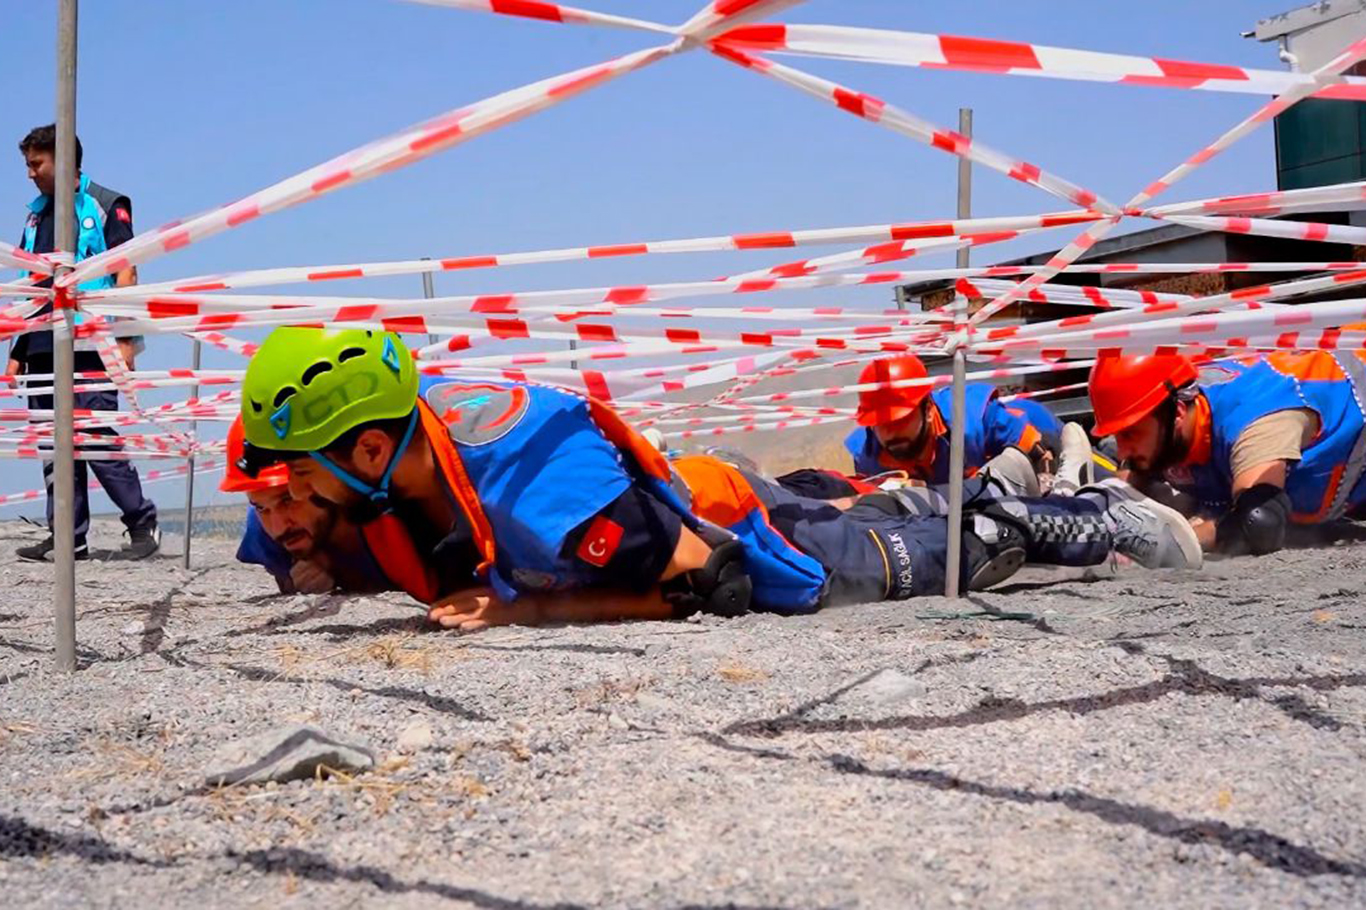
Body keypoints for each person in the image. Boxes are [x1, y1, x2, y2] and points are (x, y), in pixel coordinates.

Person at [234, 328, 1200, 632]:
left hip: (742, 540)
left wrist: (528, 616)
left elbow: (711, 584)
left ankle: (1087, 513)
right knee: (882, 497)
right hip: (697, 494)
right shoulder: (405, 434)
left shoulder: (538, 499)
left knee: (961, 545)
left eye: (299, 478)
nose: (291, 499)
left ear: (367, 453)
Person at [9, 124, 158, 561]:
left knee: (93, 435)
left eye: (36, 164)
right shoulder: (35, 215)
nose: (30, 173)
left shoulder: (108, 204)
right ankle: (67, 537)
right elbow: (29, 286)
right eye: (28, 165)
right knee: (54, 442)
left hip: (91, 340)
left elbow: (126, 274)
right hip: (40, 344)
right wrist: (17, 352)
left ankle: (141, 521)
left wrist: (127, 341)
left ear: (65, 162)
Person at [1087, 349, 1366, 556]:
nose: (1123, 448)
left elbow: (1258, 524)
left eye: (1130, 433)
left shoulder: (1255, 424)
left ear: (1178, 414)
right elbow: (1126, 485)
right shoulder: (1168, 412)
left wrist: (1161, 543)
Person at [222, 417, 397, 595]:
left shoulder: (392, 504)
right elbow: (285, 578)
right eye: (261, 507)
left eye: (288, 499)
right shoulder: (262, 531)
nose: (278, 526)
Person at [844, 354, 1064, 489]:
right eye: (881, 424)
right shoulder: (867, 457)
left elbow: (1043, 458)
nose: (890, 433)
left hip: (1044, 432)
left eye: (900, 420)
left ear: (928, 410)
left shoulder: (977, 418)